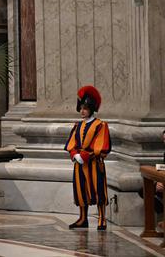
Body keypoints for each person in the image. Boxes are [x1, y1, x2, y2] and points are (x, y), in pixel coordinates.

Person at [65, 85, 112, 231]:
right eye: (81, 108)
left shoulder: (100, 125)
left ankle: (102, 218)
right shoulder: (77, 126)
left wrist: (84, 155)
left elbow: (102, 146)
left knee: (98, 191)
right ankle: (82, 218)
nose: (82, 111)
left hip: (94, 164)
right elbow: (71, 143)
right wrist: (74, 154)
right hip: (79, 164)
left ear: (91, 109)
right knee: (80, 191)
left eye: (85, 108)